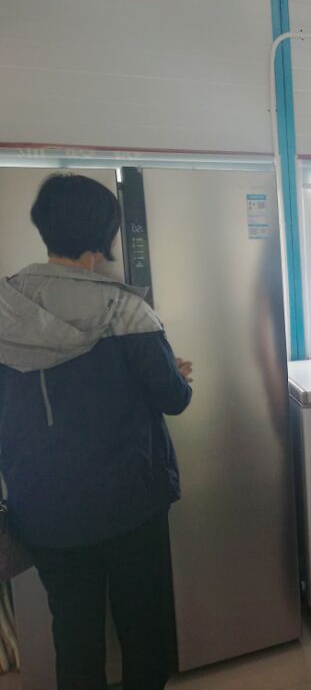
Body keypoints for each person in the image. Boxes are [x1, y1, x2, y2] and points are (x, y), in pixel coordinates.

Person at [0, 174, 193, 690]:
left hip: (44, 512)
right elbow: (175, 399)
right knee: (143, 633)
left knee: (76, 638)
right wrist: (173, 373)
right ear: (104, 235)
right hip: (131, 506)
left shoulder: (6, 308)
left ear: (44, 227)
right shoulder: (127, 310)